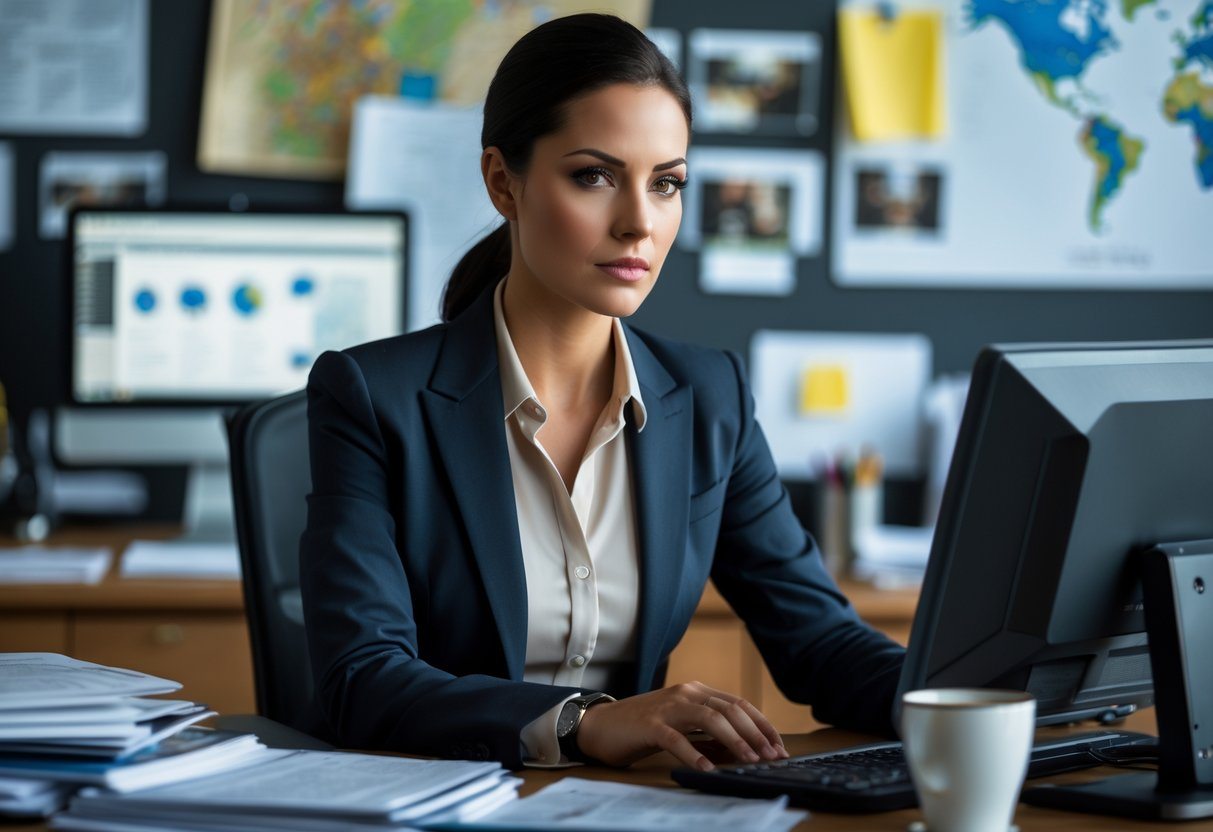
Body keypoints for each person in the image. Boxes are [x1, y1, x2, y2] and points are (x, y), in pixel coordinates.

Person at [300, 12, 905, 773]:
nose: (638, 224)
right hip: (441, 801)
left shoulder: (709, 394)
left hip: (632, 806)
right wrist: (583, 722)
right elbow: (363, 680)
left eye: (667, 184)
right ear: (503, 183)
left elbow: (820, 644)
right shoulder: (372, 396)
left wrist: (993, 698)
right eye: (593, 176)